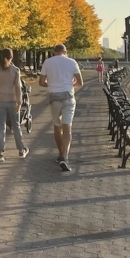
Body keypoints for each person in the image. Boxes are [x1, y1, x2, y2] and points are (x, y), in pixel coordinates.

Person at [39, 44, 83, 173]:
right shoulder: (72, 62)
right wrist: (70, 84)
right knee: (67, 127)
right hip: (68, 96)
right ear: (65, 51)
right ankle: (65, 156)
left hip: (54, 98)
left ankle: (60, 154)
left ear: (54, 52)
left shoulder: (47, 62)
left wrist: (51, 84)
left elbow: (41, 82)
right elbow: (80, 83)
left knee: (57, 126)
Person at [0, 49, 27, 162]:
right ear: (12, 57)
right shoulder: (15, 70)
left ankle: (0, 153)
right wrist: (19, 102)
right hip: (12, 101)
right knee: (16, 126)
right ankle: (21, 150)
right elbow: (18, 87)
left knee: (1, 127)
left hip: (0, 101)